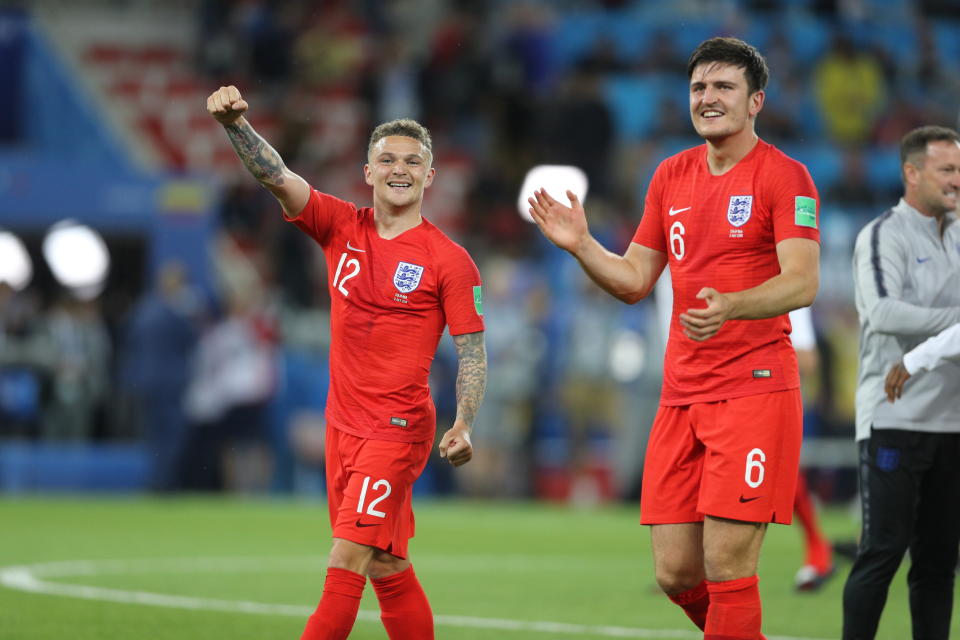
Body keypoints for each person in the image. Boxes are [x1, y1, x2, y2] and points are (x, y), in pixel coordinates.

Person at [529, 37, 820, 639]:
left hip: (753, 390)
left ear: (756, 100)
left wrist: (733, 305)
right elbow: (635, 279)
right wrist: (583, 245)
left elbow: (803, 281)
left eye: (723, 88)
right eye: (698, 88)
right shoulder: (670, 175)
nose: (708, 99)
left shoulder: (785, 177)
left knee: (728, 564)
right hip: (681, 393)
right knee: (676, 572)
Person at [207, 85, 487, 640]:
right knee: (386, 564)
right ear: (368, 171)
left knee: (346, 560)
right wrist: (236, 125)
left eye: (413, 162)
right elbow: (275, 175)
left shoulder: (450, 260)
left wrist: (464, 421)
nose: (399, 169)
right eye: (388, 159)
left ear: (430, 177)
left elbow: (472, 350)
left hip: (396, 429)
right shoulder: (341, 226)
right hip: (343, 425)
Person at [843, 125, 960, 640]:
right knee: (882, 550)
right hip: (894, 415)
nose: (958, 180)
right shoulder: (882, 234)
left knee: (938, 562)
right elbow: (883, 312)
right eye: (948, 170)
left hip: (953, 421)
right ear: (912, 173)